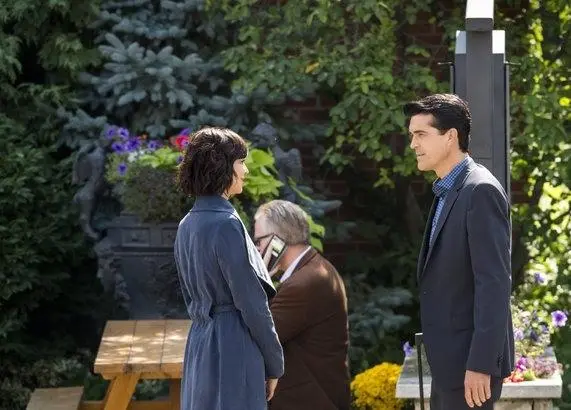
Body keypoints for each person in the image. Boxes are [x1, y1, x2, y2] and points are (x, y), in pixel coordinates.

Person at [404, 93, 514, 409]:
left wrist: (481, 364)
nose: (413, 144)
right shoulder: (448, 189)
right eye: (412, 135)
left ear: (451, 136)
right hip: (450, 364)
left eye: (421, 134)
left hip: (470, 367)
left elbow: (493, 284)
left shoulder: (480, 191)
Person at [174, 127, 284, 410]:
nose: (245, 170)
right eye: (241, 162)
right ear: (222, 167)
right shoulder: (226, 224)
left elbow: (189, 295)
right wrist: (274, 363)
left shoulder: (186, 224)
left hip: (200, 346)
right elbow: (252, 304)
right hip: (233, 345)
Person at [253, 199, 351, 410]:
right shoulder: (314, 270)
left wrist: (257, 282)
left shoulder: (304, 283)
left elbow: (257, 337)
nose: (257, 250)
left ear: (277, 240)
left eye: (259, 241)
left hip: (309, 402)